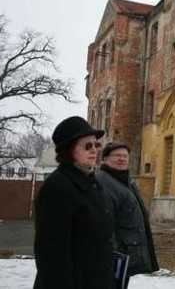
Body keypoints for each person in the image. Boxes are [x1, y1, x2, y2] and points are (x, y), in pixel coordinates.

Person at [33, 116, 114, 289]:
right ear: (69, 150)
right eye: (87, 146)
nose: (94, 150)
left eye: (96, 145)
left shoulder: (92, 182)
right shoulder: (57, 188)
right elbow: (51, 255)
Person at [97, 141, 159, 285]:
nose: (122, 159)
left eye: (125, 156)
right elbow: (104, 223)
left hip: (125, 254)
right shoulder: (104, 182)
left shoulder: (124, 182)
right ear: (105, 159)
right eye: (117, 155)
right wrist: (112, 254)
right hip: (115, 256)